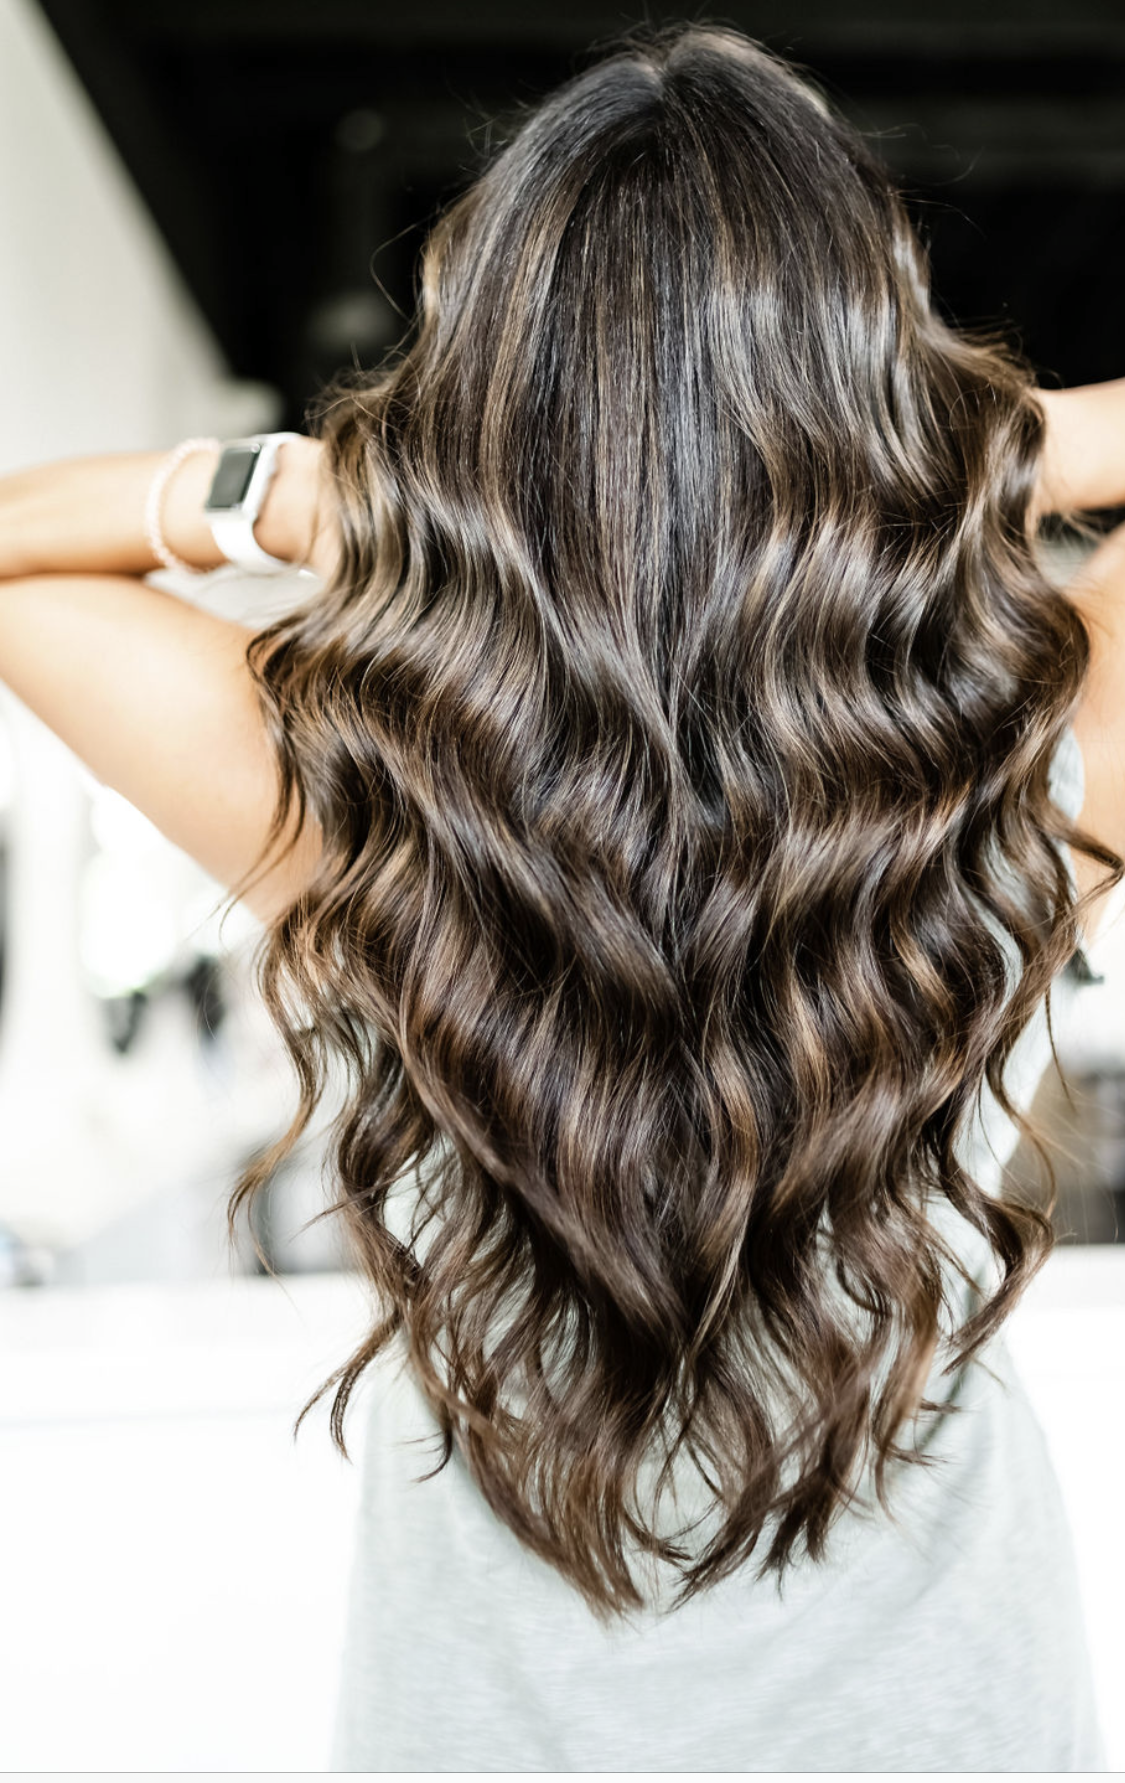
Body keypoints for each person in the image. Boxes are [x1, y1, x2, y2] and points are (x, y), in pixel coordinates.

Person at [2, 20, 1123, 1772]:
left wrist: (330, 485)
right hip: (948, 1716)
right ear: (864, 392)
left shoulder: (357, 807)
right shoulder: (1012, 775)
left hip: (490, 1725)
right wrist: (976, 460)